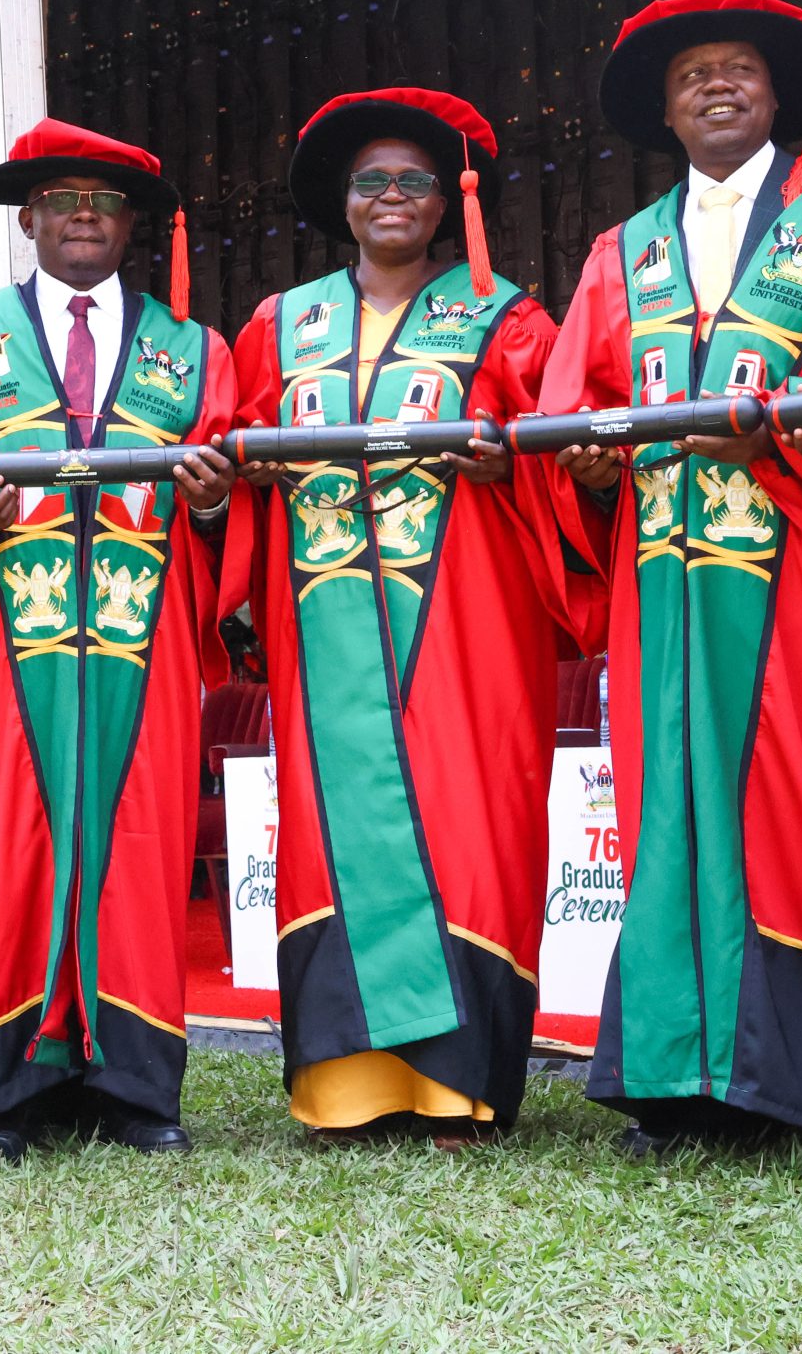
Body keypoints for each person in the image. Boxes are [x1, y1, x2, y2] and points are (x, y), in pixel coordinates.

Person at [538, 0, 802, 1172]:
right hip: (670, 588)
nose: (716, 85)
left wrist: (780, 426)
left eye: (738, 69)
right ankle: (690, 1085)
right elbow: (574, 405)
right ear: (666, 113)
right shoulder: (620, 252)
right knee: (675, 813)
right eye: (691, 77)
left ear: (778, 92)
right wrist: (582, 457)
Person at [223, 87, 584, 1144]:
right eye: (372, 181)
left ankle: (456, 1081)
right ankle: (342, 1084)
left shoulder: (507, 318)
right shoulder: (279, 326)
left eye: (414, 182)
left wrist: (511, 461)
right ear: (344, 202)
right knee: (331, 833)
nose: (392, 197)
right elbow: (233, 465)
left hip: (466, 624)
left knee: (466, 821)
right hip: (322, 620)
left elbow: (565, 460)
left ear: (447, 202)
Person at [0, 121, 236, 1164]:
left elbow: (231, 495)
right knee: (2, 851)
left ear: (131, 223)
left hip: (144, 639)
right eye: (64, 197)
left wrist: (219, 505)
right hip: (12, 632)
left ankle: (133, 1092)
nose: (84, 213)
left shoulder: (193, 350)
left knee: (137, 852)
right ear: (29, 217)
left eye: (104, 198)